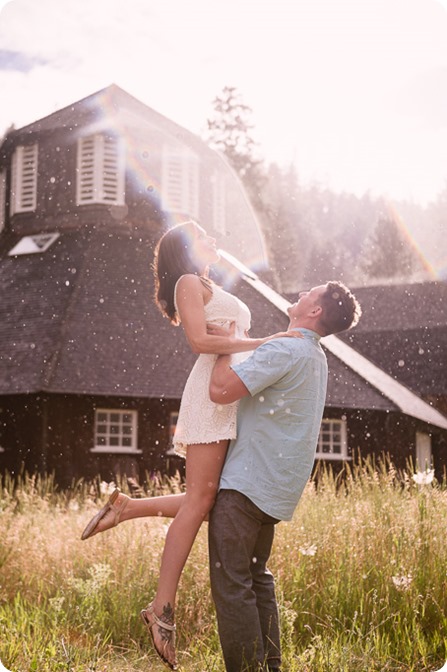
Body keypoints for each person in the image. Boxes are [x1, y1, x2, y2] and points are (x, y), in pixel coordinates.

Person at [80, 220, 297, 670]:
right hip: (210, 396)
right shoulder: (185, 281)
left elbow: (223, 342)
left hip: (229, 392)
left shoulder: (205, 283)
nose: (215, 239)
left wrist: (258, 353)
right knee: (201, 502)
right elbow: (200, 341)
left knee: (213, 497)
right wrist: (266, 341)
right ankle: (161, 609)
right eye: (204, 235)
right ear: (186, 247)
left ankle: (127, 508)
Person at [207, 281, 362, 672]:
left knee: (233, 586)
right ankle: (269, 668)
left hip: (246, 484)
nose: (303, 293)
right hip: (275, 489)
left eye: (312, 292)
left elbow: (222, 390)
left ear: (315, 312)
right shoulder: (315, 357)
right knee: (256, 578)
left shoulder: (286, 349)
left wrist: (226, 345)